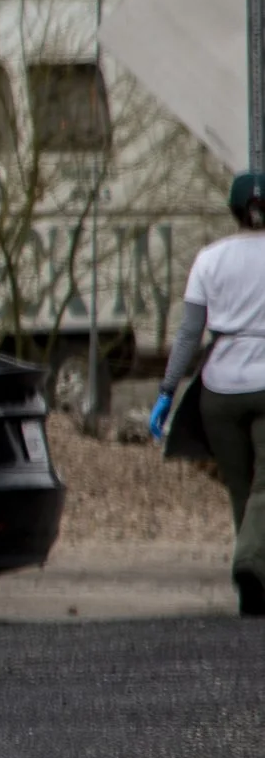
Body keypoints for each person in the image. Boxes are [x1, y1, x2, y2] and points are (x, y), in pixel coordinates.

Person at [152, 172, 265, 617]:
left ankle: (254, 592)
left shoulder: (208, 259)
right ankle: (249, 563)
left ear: (234, 211)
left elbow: (188, 335)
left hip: (218, 390)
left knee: (242, 489)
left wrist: (166, 391)